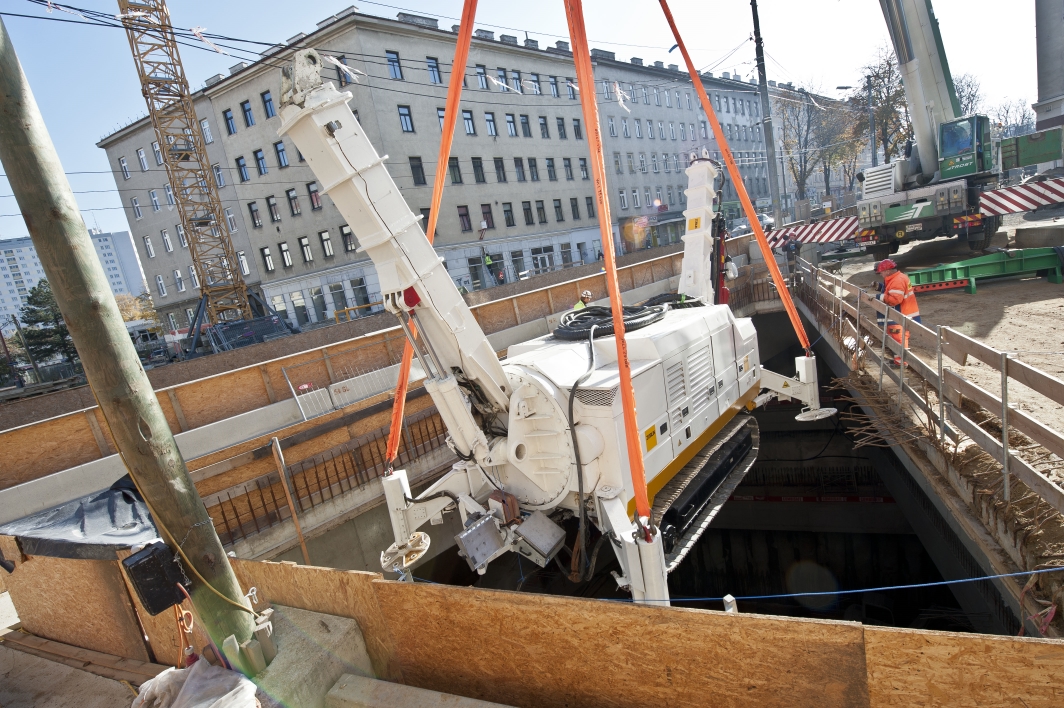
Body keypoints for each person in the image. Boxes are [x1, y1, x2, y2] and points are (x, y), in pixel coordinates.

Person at [870, 258, 920, 366]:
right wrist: (879, 287)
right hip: (902, 314)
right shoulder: (896, 278)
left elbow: (894, 299)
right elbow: (890, 290)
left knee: (899, 339)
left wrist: (878, 297)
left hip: (901, 315)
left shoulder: (897, 280)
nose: (881, 275)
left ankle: (902, 362)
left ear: (887, 271)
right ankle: (899, 361)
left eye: (881, 272)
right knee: (896, 338)